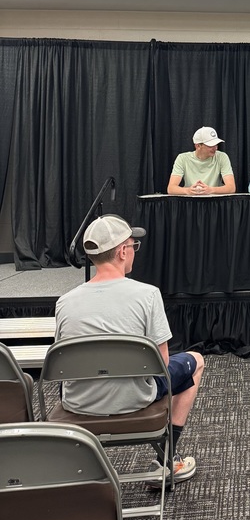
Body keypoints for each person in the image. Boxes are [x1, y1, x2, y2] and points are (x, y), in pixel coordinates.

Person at [54, 214, 205, 485]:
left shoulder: (64, 302)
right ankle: (167, 460)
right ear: (123, 252)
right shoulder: (147, 294)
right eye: (134, 245)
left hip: (77, 402)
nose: (134, 252)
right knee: (195, 361)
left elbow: (61, 360)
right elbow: (162, 364)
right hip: (135, 398)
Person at [167, 126, 236, 196]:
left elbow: (231, 188)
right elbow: (171, 189)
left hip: (215, 202)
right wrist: (188, 191)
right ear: (198, 146)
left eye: (216, 144)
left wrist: (211, 190)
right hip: (190, 202)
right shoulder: (182, 158)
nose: (215, 148)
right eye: (210, 145)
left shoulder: (222, 157)